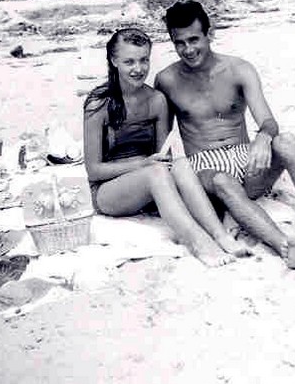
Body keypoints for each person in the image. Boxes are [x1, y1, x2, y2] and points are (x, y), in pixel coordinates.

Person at [155, 1, 295, 269]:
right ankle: (283, 245)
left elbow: (268, 121)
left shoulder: (239, 69)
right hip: (205, 166)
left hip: (245, 158)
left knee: (286, 141)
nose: (188, 49)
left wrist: (263, 137)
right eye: (179, 43)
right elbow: (162, 141)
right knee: (223, 180)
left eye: (194, 39)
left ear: (209, 34)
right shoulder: (167, 80)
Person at [83, 27, 250, 267]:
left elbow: (163, 156)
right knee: (156, 172)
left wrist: (158, 164)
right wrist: (143, 164)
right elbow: (94, 170)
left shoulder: (157, 100)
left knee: (179, 164)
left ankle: (220, 235)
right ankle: (198, 243)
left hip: (150, 180)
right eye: (129, 62)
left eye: (144, 60)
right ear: (114, 61)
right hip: (109, 192)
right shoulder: (98, 104)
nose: (138, 68)